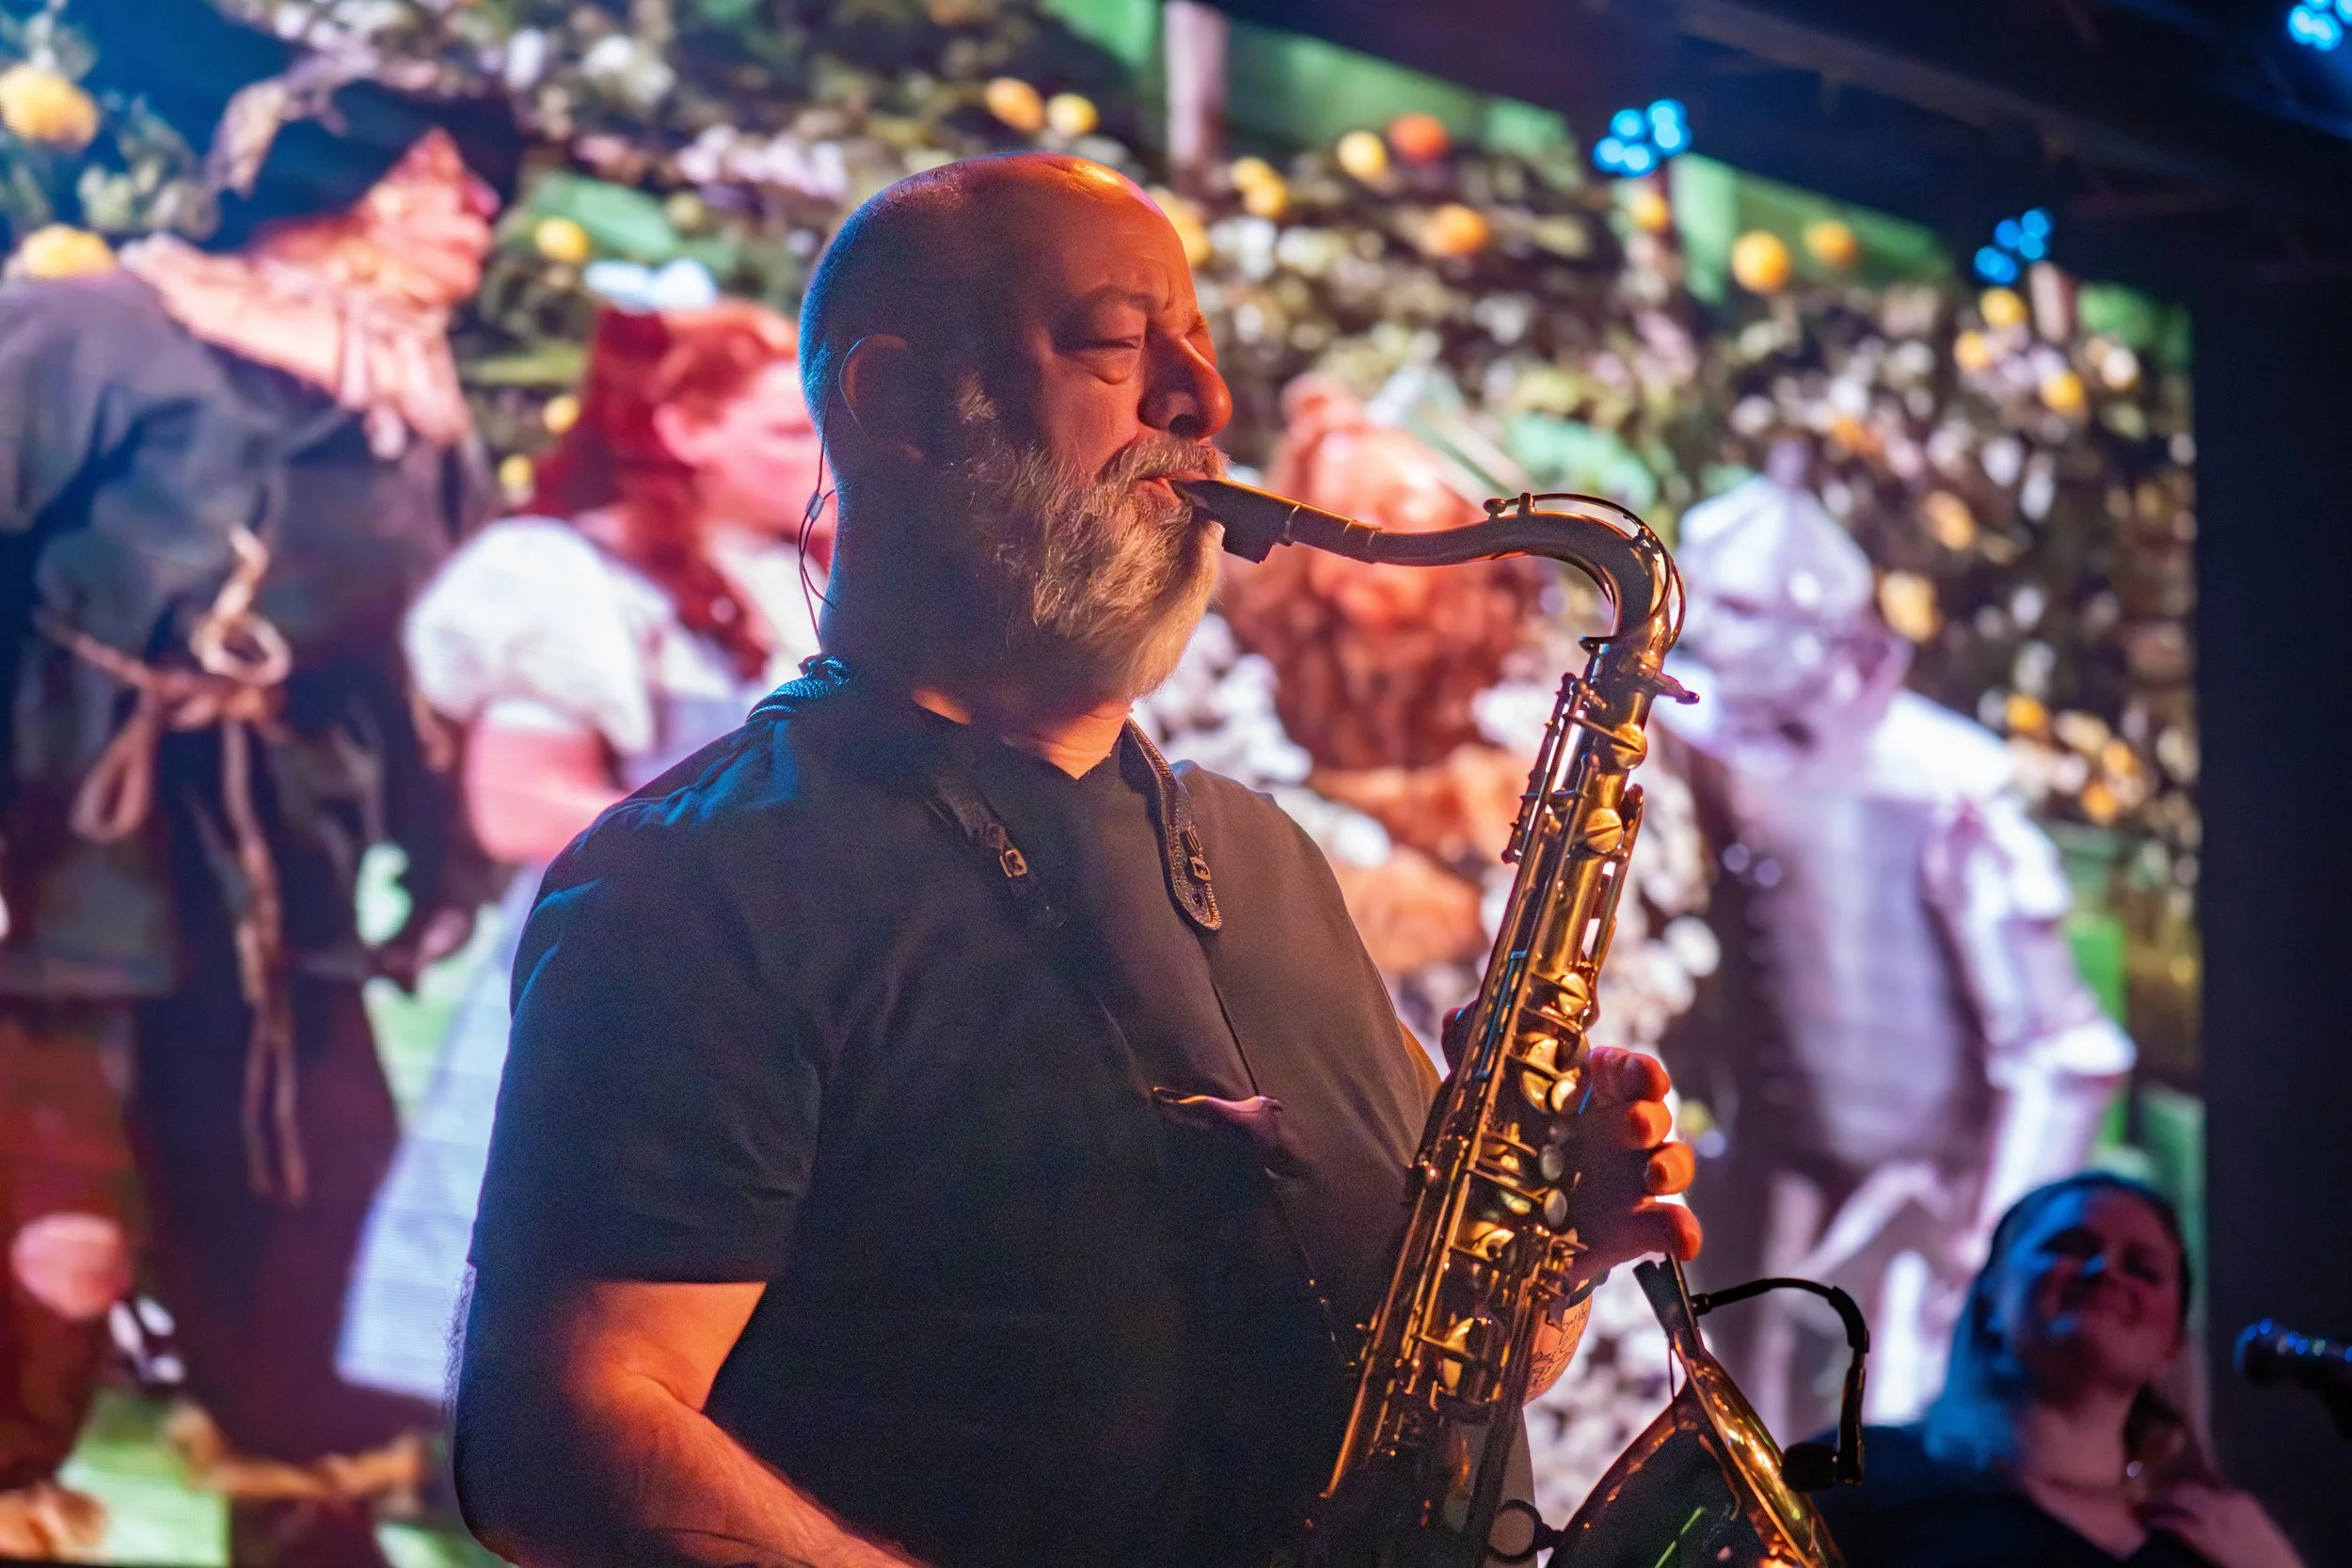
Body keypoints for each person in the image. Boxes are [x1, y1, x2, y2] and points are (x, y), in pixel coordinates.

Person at [450, 151, 1703, 1568]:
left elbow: (1436, 1373)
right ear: (901, 403)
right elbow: (563, 1439)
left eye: (1202, 353)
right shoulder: (706, 879)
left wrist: (1557, 1254)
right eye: (1120, 346)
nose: (1204, 407)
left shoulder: (1265, 854)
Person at [0, 0, 516, 1559]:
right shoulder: (102, 328)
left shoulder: (414, 410)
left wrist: (442, 843)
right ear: (339, 182)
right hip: (57, 865)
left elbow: (428, 653)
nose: (482, 216)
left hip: (273, 895)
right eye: (447, 179)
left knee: (311, 1267)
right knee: (49, 1243)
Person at [338, 296, 830, 1404]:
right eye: (786, 431)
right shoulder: (572, 579)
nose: (820, 458)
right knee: (550, 1286)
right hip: (610, 974)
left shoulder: (809, 586)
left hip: (764, 992)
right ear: (684, 427)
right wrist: (759, 863)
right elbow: (516, 805)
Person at [1656, 459, 2136, 1436]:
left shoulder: (1942, 786)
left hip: (1923, 1211)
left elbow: (2064, 1052)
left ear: (1819, 625)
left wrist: (1998, 1246)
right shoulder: (1707, 734)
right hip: (1770, 1179)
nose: (1708, 633)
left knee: (1905, 1465)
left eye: (1742, 609)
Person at [1812, 1172, 2306, 1568]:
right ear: (1988, 1299)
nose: (2104, 1271)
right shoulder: (1858, 1472)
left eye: (2142, 1268)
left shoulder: (2213, 1535)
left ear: (2172, 1344)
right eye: (2070, 1246)